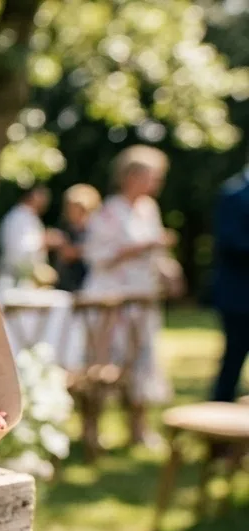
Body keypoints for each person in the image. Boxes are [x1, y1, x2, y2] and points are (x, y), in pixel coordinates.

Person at [83, 145, 177, 448]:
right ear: (132, 176)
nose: (157, 184)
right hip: (111, 303)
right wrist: (141, 247)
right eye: (153, 177)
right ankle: (91, 432)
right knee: (104, 367)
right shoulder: (109, 211)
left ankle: (138, 430)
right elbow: (96, 256)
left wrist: (170, 272)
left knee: (142, 363)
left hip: (143, 300)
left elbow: (157, 251)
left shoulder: (149, 208)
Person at [210, 164, 249, 402]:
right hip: (239, 295)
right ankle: (220, 424)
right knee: (233, 359)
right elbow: (229, 241)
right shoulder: (232, 193)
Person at [0, 186, 64, 286]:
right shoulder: (18, 217)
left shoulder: (28, 216)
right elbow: (18, 249)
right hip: (19, 277)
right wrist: (45, 240)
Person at [52, 184, 101, 292]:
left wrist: (75, 251)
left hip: (88, 285)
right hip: (67, 285)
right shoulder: (67, 229)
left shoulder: (95, 230)